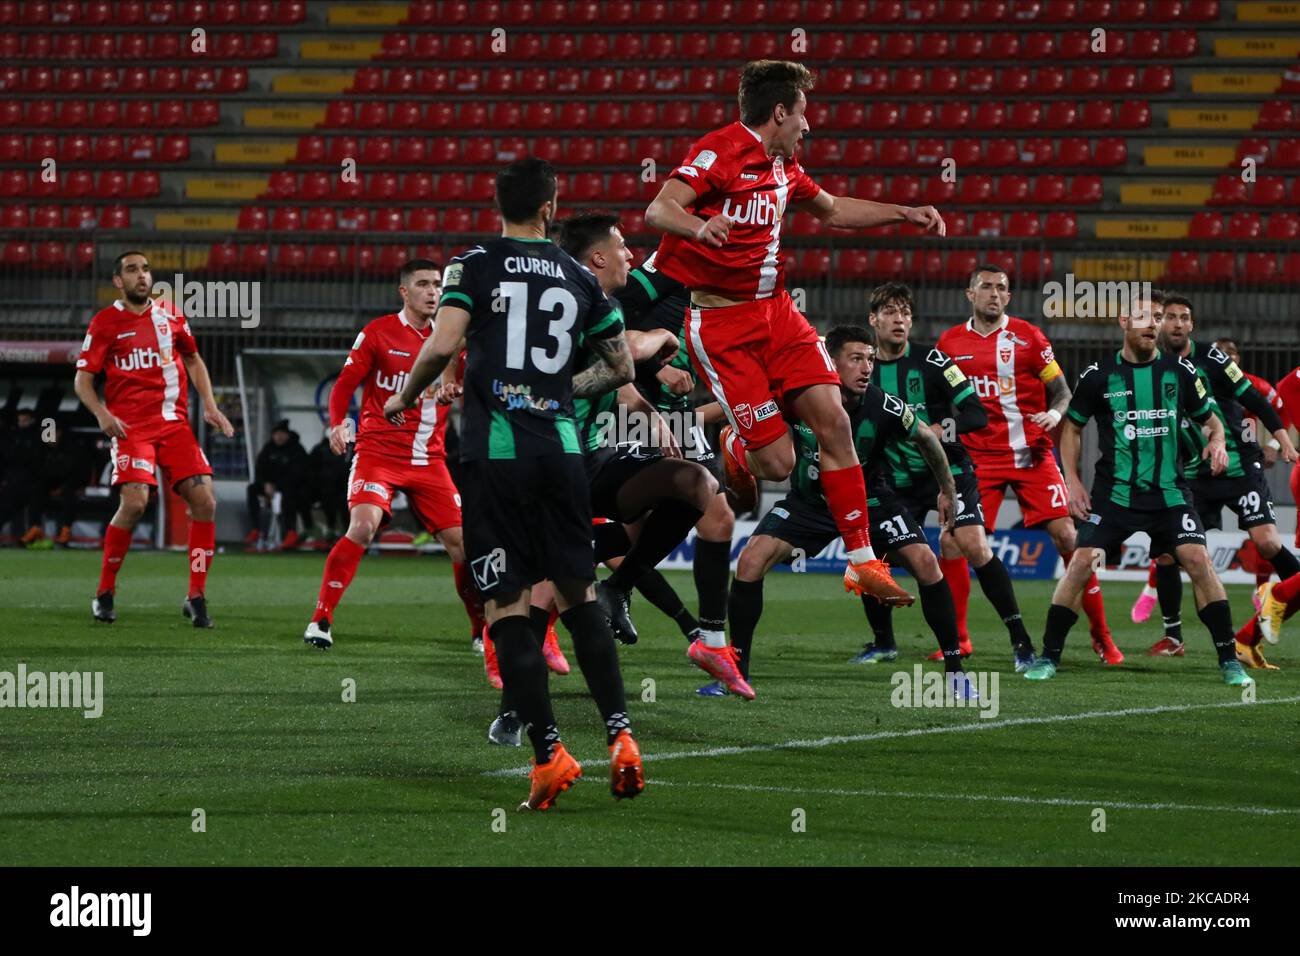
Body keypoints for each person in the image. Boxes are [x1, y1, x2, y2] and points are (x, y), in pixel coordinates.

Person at [383, 159, 645, 811]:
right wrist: (559, 390)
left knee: (505, 606)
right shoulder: (580, 276)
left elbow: (443, 344)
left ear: (496, 203)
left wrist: (403, 397)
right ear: (552, 206)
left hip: (495, 459)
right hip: (560, 450)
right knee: (580, 593)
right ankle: (621, 737)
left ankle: (550, 754)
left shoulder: (472, 265)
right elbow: (620, 366)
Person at [644, 58, 945, 606]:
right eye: (803, 114)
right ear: (779, 112)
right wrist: (700, 225)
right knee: (778, 465)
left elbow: (832, 211)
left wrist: (902, 211)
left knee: (834, 421)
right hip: (722, 325)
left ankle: (861, 562)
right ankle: (737, 439)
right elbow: (659, 209)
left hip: (778, 313)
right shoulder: (721, 150)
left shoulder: (785, 166)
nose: (810, 126)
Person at [558, 212, 753, 696]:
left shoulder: (734, 291)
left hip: (615, 442)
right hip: (556, 456)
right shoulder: (629, 285)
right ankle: (523, 699)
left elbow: (616, 369)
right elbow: (618, 345)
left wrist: (654, 413)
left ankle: (692, 629)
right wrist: (652, 357)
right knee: (547, 587)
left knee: (705, 497)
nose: (631, 254)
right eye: (622, 247)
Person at [724, 325, 976, 696]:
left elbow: (926, 437)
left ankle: (956, 672)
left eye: (870, 359)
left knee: (926, 564)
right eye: (856, 358)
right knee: (749, 562)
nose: (866, 368)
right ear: (830, 361)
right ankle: (736, 672)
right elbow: (747, 406)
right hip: (811, 504)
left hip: (872, 503)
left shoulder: (884, 405)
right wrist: (700, 416)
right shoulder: (799, 397)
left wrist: (948, 489)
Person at [1021, 297, 1255, 688]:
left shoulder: (1179, 371)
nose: (1154, 325)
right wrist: (1072, 481)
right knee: (1081, 564)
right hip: (1115, 495)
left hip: (1169, 494)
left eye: (1159, 318)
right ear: (1124, 321)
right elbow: (1072, 428)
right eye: (1146, 317)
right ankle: (1048, 656)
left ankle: (1229, 660)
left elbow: (1211, 421)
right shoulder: (1098, 375)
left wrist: (1218, 442)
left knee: (1198, 561)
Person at [937, 265, 1121, 665]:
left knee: (1069, 538)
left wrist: (1055, 417)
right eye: (986, 287)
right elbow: (942, 403)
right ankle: (960, 638)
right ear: (970, 294)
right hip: (977, 458)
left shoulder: (1029, 337)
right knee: (951, 541)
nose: (994, 293)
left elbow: (1062, 392)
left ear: (1009, 296)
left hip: (1031, 454)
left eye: (1002, 288)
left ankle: (1101, 636)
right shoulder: (949, 343)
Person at [302, 259, 489, 654]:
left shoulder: (453, 339)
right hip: (378, 453)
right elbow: (344, 385)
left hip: (429, 459)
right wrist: (337, 423)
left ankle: (479, 629)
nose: (433, 291)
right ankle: (321, 618)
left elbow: (465, 388)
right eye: (423, 284)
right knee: (364, 527)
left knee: (463, 545)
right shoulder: (377, 333)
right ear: (404, 291)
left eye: (437, 284)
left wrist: (454, 392)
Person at [861, 282, 1037, 671]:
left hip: (950, 473)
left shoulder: (935, 362)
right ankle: (883, 642)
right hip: (895, 481)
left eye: (906, 313)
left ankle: (1021, 641)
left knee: (974, 545)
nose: (900, 320)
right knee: (872, 558)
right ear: (874, 320)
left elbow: (977, 414)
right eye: (891, 312)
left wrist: (943, 429)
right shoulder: (863, 370)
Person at [1135, 295, 1297, 667]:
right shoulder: (1150, 365)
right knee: (1171, 555)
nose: (1176, 323)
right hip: (1191, 476)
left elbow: (1254, 398)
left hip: (1240, 470)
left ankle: (1286, 599)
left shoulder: (1214, 359)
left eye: (1183, 318)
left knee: (1269, 544)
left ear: (1192, 325)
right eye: (1169, 317)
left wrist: (1282, 439)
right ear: (1160, 324)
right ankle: (1174, 636)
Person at [74, 251, 234, 627]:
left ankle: (196, 595)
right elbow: (83, 380)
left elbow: (193, 359)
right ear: (118, 281)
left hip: (174, 425)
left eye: (145, 269)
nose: (142, 276)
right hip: (131, 428)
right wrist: (103, 415)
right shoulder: (105, 323)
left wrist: (209, 406)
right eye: (132, 270)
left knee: (206, 502)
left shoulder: (171, 315)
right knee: (134, 504)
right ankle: (105, 591)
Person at [616, 251, 737, 651]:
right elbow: (615, 310)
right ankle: (610, 596)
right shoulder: (671, 264)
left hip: (680, 416)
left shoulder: (737, 284)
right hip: (632, 409)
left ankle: (711, 637)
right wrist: (657, 369)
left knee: (719, 519)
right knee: (628, 536)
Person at [246, 419, 310, 550]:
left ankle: (291, 531)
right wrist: (265, 484)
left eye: (281, 434)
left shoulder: (297, 450)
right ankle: (255, 529)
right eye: (276, 434)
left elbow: (298, 474)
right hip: (270, 487)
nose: (279, 437)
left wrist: (277, 486)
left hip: (292, 488)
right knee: (252, 489)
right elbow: (260, 470)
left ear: (287, 434)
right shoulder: (268, 449)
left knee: (289, 493)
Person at [0, 409, 45, 546]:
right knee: (6, 503)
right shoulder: (12, 436)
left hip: (32, 481)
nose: (22, 423)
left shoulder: (38, 436)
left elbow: (38, 459)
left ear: (32, 420)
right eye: (20, 420)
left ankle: (33, 531)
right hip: (13, 481)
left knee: (35, 497)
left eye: (25, 420)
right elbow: (7, 457)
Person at [307, 427, 349, 545]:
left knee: (344, 504)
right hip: (324, 488)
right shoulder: (319, 450)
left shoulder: (351, 448)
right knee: (328, 500)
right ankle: (331, 531)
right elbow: (311, 471)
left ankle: (348, 534)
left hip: (346, 488)